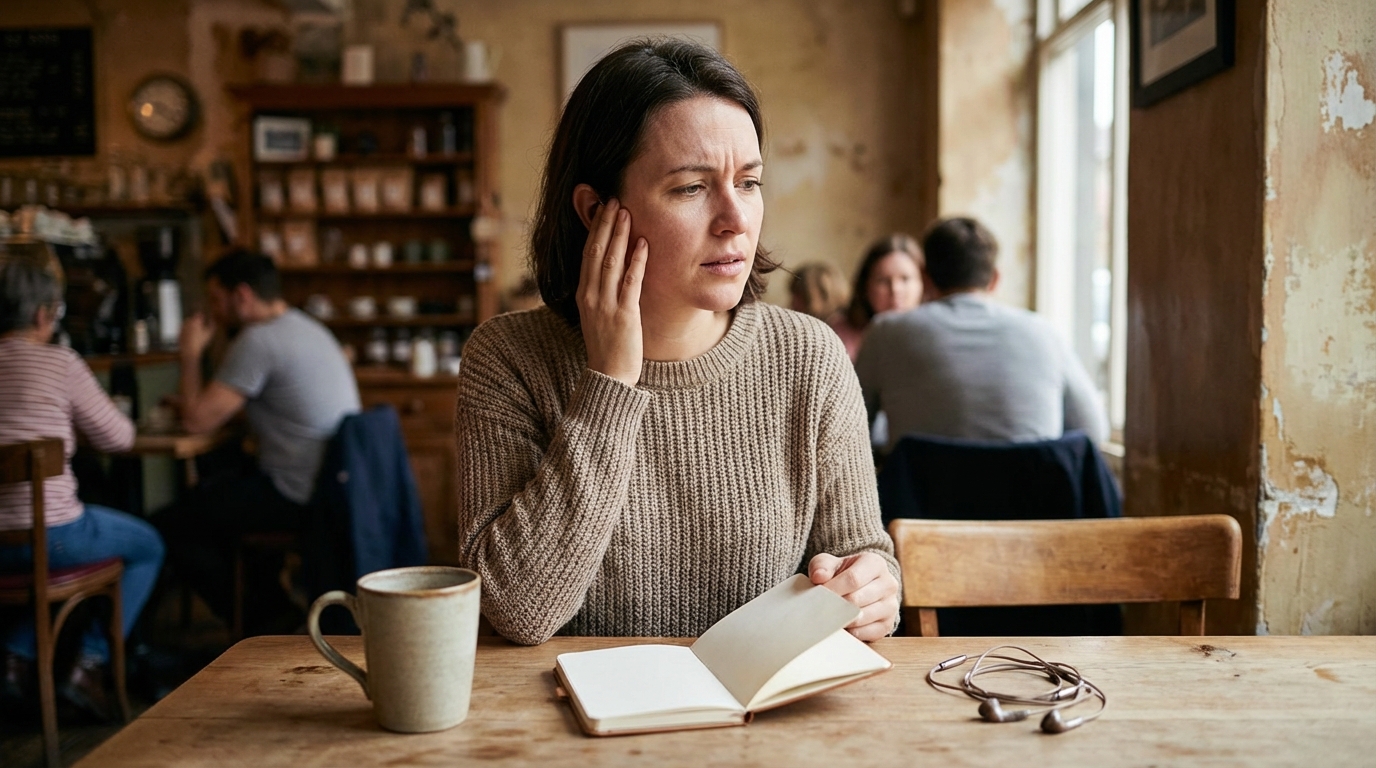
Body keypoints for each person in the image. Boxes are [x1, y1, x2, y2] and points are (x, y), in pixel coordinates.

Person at [454, 38, 900, 646]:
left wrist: (873, 591)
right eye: (692, 188)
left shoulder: (810, 357)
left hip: (761, 728)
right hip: (570, 730)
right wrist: (610, 382)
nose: (735, 219)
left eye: (748, 182)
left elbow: (861, 556)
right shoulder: (506, 359)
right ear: (595, 210)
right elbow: (516, 611)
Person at [152, 249, 360, 635]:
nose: (213, 312)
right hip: (330, 489)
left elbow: (197, 422)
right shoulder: (306, 327)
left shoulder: (258, 341)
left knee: (171, 525)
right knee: (215, 493)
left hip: (295, 494)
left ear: (243, 296)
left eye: (216, 300)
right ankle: (272, 609)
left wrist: (190, 355)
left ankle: (260, 619)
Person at [0, 242, 164, 720]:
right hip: (56, 537)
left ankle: (14, 657)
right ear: (44, 314)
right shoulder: (61, 362)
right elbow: (120, 437)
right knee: (148, 544)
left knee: (34, 565)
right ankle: (90, 663)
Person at [856, 217, 1109, 448]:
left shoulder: (885, 333)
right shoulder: (1045, 333)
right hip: (1030, 496)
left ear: (925, 278)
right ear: (995, 279)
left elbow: (849, 432)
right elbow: (1094, 431)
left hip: (924, 496)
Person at [832, 234, 924, 361]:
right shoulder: (839, 337)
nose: (895, 289)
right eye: (883, 281)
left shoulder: (936, 336)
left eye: (905, 279)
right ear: (865, 286)